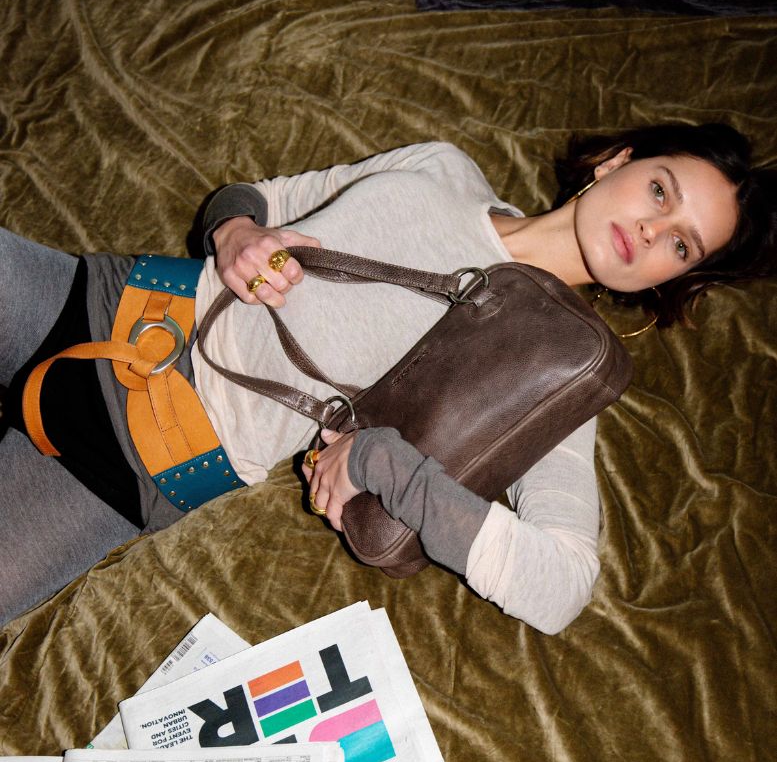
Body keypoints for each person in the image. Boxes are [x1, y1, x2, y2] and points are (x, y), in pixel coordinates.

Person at [1, 123, 774, 631]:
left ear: (667, 280)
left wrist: (383, 465)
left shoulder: (559, 373)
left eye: (681, 245)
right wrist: (237, 231)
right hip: (107, 303)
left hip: (138, 464)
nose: (650, 229)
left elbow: (561, 585)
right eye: (660, 191)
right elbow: (263, 198)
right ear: (617, 162)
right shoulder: (442, 169)